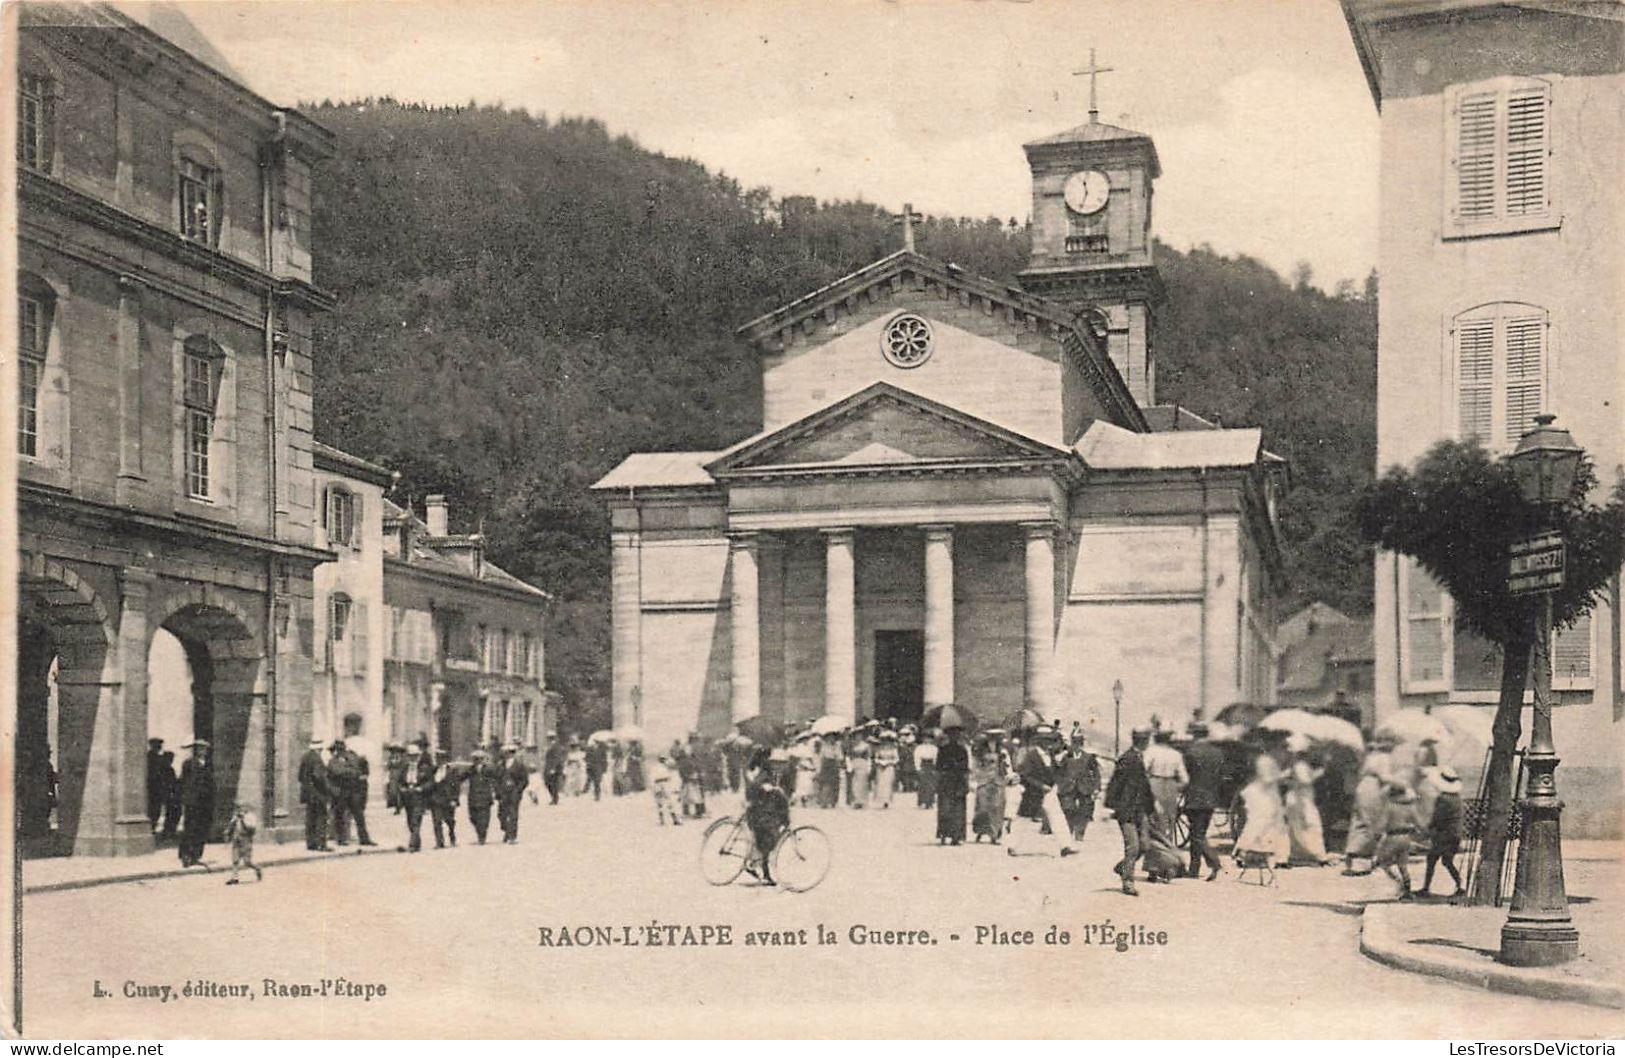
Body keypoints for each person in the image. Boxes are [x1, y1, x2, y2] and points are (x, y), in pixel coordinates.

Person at [1007, 726, 1077, 858]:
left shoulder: (1050, 755)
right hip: (1033, 792)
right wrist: (1041, 786)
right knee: (1023, 818)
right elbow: (1025, 776)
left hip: (1048, 791)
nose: (1050, 743)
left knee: (1057, 817)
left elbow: (1055, 771)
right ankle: (1012, 845)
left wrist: (1058, 765)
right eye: (1048, 740)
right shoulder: (1031, 756)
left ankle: (1065, 845)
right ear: (1041, 741)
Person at [1103, 728, 1156, 896]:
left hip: (1140, 810)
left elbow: (1144, 788)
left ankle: (1122, 867)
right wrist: (1113, 808)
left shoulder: (1138, 758)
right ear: (1143, 741)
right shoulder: (1127, 758)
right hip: (1127, 811)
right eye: (1146, 739)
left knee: (1145, 846)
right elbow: (1115, 783)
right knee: (1132, 847)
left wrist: (1151, 809)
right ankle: (1128, 883)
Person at [1181, 722, 1226, 880]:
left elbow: (1184, 777)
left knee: (1196, 834)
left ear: (1194, 734)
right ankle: (1194, 869)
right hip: (1211, 798)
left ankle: (1213, 863)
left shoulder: (1191, 752)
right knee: (1199, 833)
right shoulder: (1217, 753)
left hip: (1194, 798)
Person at [1343, 738, 1393, 875]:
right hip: (1374, 789)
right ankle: (1361, 860)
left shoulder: (1370, 757)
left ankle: (1351, 854)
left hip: (1363, 787)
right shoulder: (1384, 758)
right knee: (1370, 823)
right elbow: (1384, 777)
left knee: (1359, 820)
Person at [743, 748, 790, 885]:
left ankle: (760, 867)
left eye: (782, 764)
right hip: (759, 811)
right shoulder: (764, 774)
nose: (780, 766)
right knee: (766, 839)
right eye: (777, 763)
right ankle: (763, 871)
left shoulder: (778, 776)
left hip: (770, 812)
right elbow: (753, 789)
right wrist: (764, 787)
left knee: (770, 840)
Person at [1235, 754, 1291, 869]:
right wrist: (1284, 775)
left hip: (1270, 794)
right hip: (1259, 794)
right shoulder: (1263, 760)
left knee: (1279, 825)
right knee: (1258, 824)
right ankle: (1242, 852)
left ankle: (1281, 858)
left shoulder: (1272, 760)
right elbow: (1266, 779)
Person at [1285, 747, 1335, 865]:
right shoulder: (1300, 765)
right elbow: (1305, 781)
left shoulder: (1297, 766)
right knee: (1311, 825)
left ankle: (1302, 853)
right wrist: (1319, 772)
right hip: (1301, 800)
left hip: (1299, 798)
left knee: (1299, 827)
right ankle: (1317, 854)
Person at [1422, 767, 1465, 897]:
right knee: (1447, 861)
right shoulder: (1457, 798)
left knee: (1431, 859)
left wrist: (1428, 829)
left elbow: (1438, 818)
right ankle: (1459, 885)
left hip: (1444, 835)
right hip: (1455, 833)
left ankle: (1426, 888)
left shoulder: (1443, 799)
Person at [1375, 783, 1422, 900]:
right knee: (1403, 865)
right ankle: (1407, 889)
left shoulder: (1390, 807)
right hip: (1406, 837)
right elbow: (1420, 824)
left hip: (1392, 837)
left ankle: (1399, 883)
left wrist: (1376, 835)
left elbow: (1381, 824)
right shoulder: (1410, 808)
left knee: (1382, 862)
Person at [1144, 728, 1189, 838]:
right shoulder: (1176, 754)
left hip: (1154, 784)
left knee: (1154, 820)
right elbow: (1185, 779)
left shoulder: (1150, 752)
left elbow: (1142, 770)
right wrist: (1176, 787)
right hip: (1171, 786)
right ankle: (1167, 846)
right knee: (1169, 820)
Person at [177, 739, 215, 867]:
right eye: (199, 749)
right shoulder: (188, 763)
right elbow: (183, 782)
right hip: (192, 801)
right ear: (195, 750)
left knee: (202, 828)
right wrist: (186, 797)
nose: (202, 751)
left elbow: (211, 783)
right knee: (190, 827)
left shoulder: (208, 765)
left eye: (204, 749)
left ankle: (196, 854)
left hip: (205, 802)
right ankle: (185, 855)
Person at [1056, 735, 1101, 843]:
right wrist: (1060, 783)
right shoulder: (1066, 757)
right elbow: (1058, 771)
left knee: (1084, 811)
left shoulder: (1088, 757)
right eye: (1074, 743)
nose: (1076, 746)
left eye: (1078, 744)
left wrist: (1096, 787)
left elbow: (1096, 773)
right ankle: (1069, 831)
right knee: (1068, 809)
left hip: (1084, 787)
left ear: (1081, 745)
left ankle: (1080, 833)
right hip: (1068, 787)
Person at [391, 742, 433, 853]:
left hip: (419, 797)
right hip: (407, 797)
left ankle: (412, 845)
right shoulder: (405, 768)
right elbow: (399, 781)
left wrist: (421, 788)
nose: (412, 758)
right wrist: (402, 789)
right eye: (410, 756)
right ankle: (417, 844)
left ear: (418, 756)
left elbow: (430, 782)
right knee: (410, 822)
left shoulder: (424, 768)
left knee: (415, 821)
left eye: (414, 756)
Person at [935, 726, 970, 845]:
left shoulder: (962, 750)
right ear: (948, 737)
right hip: (947, 781)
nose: (954, 737)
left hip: (958, 781)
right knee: (945, 808)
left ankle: (956, 836)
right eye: (952, 735)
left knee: (958, 810)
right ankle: (944, 834)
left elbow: (965, 767)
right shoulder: (942, 750)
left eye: (956, 735)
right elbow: (938, 767)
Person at [297, 737, 332, 852]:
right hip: (318, 794)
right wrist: (327, 789)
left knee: (310, 818)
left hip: (308, 794)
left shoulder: (305, 757)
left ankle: (311, 843)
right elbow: (319, 777)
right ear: (319, 748)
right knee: (321, 818)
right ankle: (321, 844)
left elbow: (300, 776)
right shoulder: (316, 759)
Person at [497, 742, 529, 842]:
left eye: (510, 752)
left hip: (514, 793)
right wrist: (497, 790)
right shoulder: (500, 765)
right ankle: (506, 830)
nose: (508, 754)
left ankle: (512, 836)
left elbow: (524, 780)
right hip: (503, 793)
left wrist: (518, 789)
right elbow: (496, 778)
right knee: (501, 814)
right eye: (506, 752)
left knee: (513, 814)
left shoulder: (519, 765)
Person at [429, 750, 461, 849]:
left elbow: (456, 786)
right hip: (436, 800)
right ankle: (440, 842)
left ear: (445, 759)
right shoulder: (433, 770)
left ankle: (452, 834)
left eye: (442, 758)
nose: (440, 761)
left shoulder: (452, 771)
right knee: (437, 821)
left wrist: (454, 799)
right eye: (438, 758)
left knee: (449, 820)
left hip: (448, 799)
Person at [466, 748, 499, 844]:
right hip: (473, 797)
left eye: (480, 759)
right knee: (473, 817)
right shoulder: (471, 769)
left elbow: (495, 780)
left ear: (483, 759)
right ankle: (479, 831)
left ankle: (482, 836)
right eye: (475, 759)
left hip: (485, 797)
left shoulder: (488, 769)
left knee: (484, 818)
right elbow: (461, 777)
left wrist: (496, 792)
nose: (477, 761)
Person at [224, 802, 262, 885]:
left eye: (241, 807)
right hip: (236, 839)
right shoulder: (237, 817)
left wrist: (243, 819)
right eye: (238, 808)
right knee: (235, 860)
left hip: (246, 840)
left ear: (246, 808)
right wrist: (228, 831)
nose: (239, 809)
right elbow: (231, 825)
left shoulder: (250, 816)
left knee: (247, 861)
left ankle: (257, 869)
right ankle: (234, 878)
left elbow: (251, 827)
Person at [327, 739, 356, 845]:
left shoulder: (349, 760)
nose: (340, 752)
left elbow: (355, 772)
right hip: (337, 791)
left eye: (341, 750)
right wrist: (346, 771)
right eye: (338, 750)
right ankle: (340, 837)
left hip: (347, 791)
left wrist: (345, 770)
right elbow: (336, 771)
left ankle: (345, 836)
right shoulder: (332, 761)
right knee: (338, 815)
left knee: (347, 815)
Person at [649, 754, 681, 826]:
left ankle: (662, 821)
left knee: (660, 803)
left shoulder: (654, 768)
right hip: (664, 784)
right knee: (669, 802)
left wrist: (653, 788)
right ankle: (674, 819)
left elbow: (652, 778)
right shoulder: (666, 768)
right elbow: (670, 778)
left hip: (657, 784)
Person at [872, 731, 900, 808]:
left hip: (889, 767)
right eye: (884, 740)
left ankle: (887, 800)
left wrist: (890, 762)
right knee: (881, 783)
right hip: (881, 767)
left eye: (887, 740)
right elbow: (876, 758)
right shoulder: (879, 749)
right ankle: (881, 800)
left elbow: (896, 759)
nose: (886, 742)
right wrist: (879, 762)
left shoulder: (893, 749)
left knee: (888, 784)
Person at [817, 732, 844, 809]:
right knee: (826, 783)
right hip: (826, 765)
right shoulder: (824, 747)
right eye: (829, 737)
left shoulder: (837, 747)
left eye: (833, 737)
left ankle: (833, 801)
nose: (831, 739)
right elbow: (821, 757)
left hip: (834, 765)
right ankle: (824, 801)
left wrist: (836, 755)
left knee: (834, 783)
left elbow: (840, 757)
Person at [159, 750, 182, 838]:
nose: (171, 760)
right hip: (169, 794)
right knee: (173, 812)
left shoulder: (169, 769)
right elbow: (167, 782)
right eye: (170, 758)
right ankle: (169, 831)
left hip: (171, 793)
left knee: (173, 812)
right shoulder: (166, 769)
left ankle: (169, 830)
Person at [146, 737, 167, 833]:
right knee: (152, 808)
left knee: (156, 809)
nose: (158, 747)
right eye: (156, 745)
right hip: (152, 787)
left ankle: (153, 827)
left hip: (158, 787)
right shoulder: (148, 757)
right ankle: (151, 827)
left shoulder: (159, 758)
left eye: (159, 745)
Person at [847, 732, 873, 809]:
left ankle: (862, 801)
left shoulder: (866, 745)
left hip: (863, 763)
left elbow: (868, 757)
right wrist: (849, 765)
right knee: (855, 783)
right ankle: (856, 800)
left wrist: (869, 766)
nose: (858, 737)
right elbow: (849, 755)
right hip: (854, 763)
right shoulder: (852, 745)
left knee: (862, 783)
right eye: (856, 735)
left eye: (860, 735)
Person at [914, 734, 938, 810]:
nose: (927, 740)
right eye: (926, 738)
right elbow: (916, 758)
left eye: (929, 739)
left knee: (931, 784)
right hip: (923, 765)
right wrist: (918, 768)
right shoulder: (919, 748)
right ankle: (922, 801)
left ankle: (930, 802)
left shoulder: (934, 748)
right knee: (922, 784)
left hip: (931, 766)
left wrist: (935, 768)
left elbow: (936, 758)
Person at [542, 738, 566, 805]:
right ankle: (554, 797)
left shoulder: (556, 747)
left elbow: (557, 758)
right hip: (548, 767)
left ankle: (555, 799)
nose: (550, 740)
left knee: (553, 784)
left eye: (551, 738)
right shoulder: (549, 747)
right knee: (548, 783)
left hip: (553, 769)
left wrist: (553, 768)